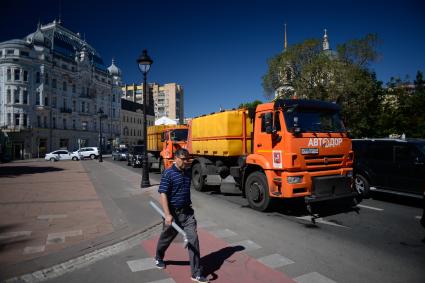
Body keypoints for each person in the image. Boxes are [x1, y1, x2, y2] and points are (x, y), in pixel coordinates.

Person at [154, 148, 208, 283]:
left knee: (193, 239)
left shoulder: (187, 172)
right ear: (176, 158)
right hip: (173, 214)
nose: (186, 162)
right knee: (165, 239)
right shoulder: (168, 173)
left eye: (187, 159)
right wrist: (167, 214)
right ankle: (159, 257)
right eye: (184, 159)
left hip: (187, 213)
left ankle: (196, 273)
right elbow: (163, 193)